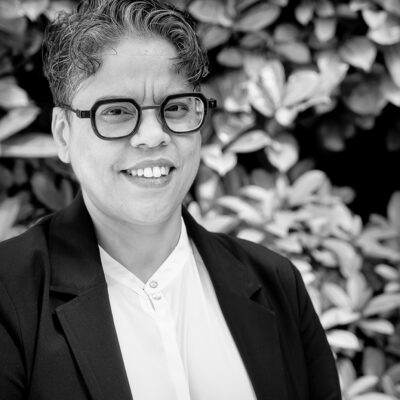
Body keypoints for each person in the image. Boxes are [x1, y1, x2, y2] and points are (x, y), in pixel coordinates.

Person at [0, 1, 341, 399]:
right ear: (63, 134)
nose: (152, 136)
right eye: (116, 111)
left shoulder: (277, 282)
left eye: (175, 107)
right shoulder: (9, 294)